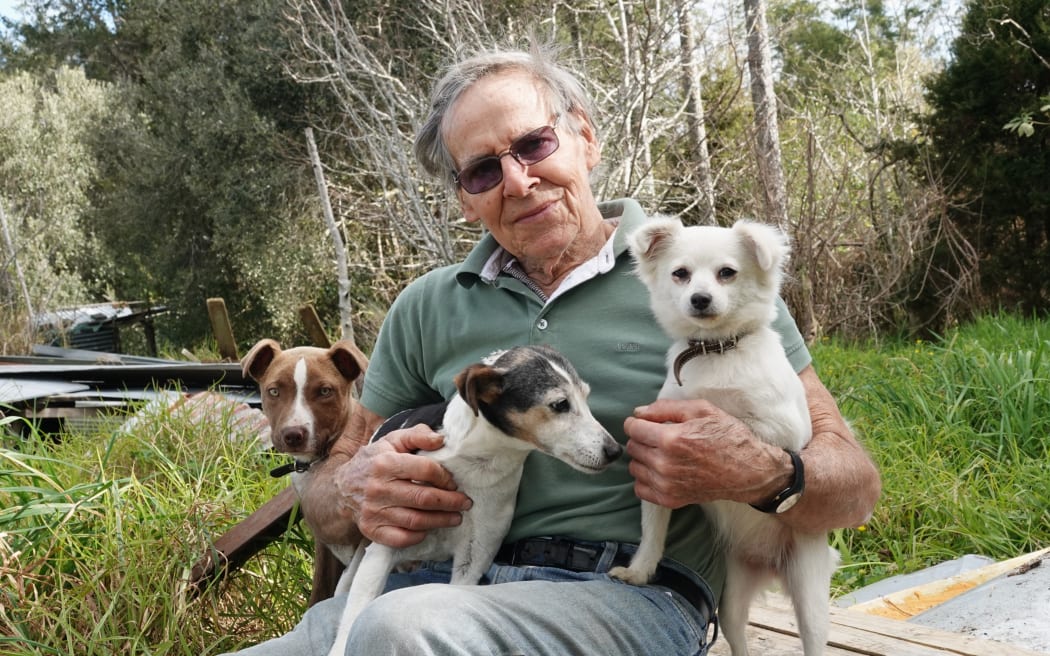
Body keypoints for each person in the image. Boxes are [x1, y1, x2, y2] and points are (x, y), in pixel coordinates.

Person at [223, 43, 880, 656]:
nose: (517, 180)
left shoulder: (703, 285)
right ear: (463, 198)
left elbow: (855, 490)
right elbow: (327, 490)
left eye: (534, 144)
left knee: (403, 631)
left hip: (624, 595)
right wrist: (358, 486)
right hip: (427, 583)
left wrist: (766, 471)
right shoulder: (426, 305)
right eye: (482, 169)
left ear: (585, 138)